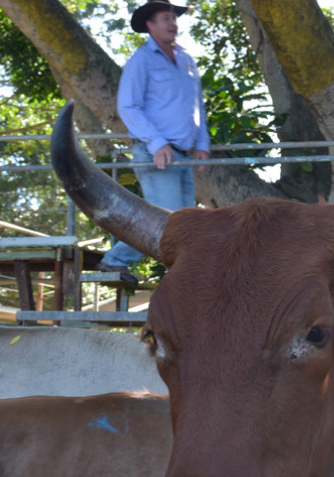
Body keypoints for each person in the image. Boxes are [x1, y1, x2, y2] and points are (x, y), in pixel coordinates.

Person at [99, 0, 210, 285]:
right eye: (165, 18)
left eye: (174, 18)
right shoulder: (141, 60)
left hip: (183, 155)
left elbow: (197, 106)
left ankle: (185, 278)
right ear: (150, 25)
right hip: (155, 153)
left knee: (184, 225)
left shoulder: (186, 60)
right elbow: (128, 106)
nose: (173, 23)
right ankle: (116, 261)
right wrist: (157, 142)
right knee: (166, 223)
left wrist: (202, 145)